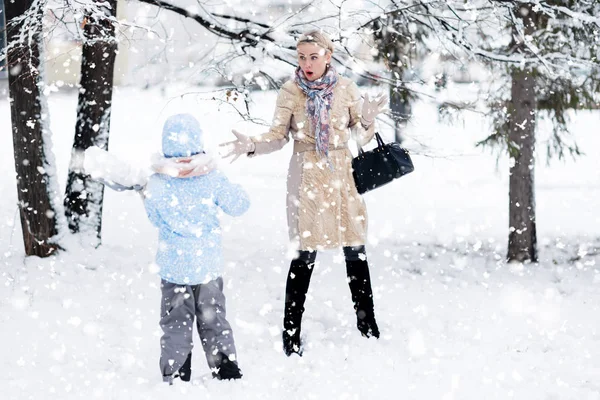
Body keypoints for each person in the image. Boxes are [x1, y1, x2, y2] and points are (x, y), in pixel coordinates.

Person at [220, 30, 388, 356]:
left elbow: (361, 137)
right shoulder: (291, 91)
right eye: (302, 57)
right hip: (307, 177)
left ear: (328, 55)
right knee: (304, 256)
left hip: (343, 174)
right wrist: (253, 145)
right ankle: (291, 334)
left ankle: (368, 326)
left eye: (314, 56)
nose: (307, 63)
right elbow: (278, 136)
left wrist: (366, 120)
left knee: (355, 250)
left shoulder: (346, 89)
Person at [144, 113, 250, 383]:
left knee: (175, 322)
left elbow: (155, 218)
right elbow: (239, 205)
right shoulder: (211, 178)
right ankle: (225, 368)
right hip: (207, 266)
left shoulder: (157, 182)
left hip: (174, 267)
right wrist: (237, 191)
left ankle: (177, 371)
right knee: (213, 319)